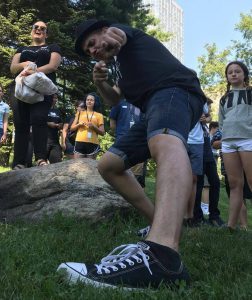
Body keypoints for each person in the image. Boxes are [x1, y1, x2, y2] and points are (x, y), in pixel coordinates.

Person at [57, 19, 205, 289]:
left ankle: (163, 255)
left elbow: (118, 36)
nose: (92, 50)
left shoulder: (125, 35)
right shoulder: (121, 66)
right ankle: (157, 223)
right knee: (109, 165)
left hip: (174, 91)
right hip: (152, 108)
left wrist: (112, 40)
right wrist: (100, 83)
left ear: (103, 31)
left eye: (92, 43)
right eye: (88, 50)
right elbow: (115, 99)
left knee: (166, 142)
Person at [10, 20, 61, 169]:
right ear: (31, 30)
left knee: (39, 119)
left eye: (42, 28)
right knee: (21, 125)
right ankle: (19, 162)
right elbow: (13, 68)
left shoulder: (52, 47)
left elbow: (53, 66)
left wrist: (34, 71)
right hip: (20, 89)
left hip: (42, 88)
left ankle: (40, 158)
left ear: (46, 33)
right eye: (36, 27)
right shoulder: (22, 48)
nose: (39, 29)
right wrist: (24, 65)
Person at [218, 61, 252, 230]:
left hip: (248, 139)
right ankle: (231, 226)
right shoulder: (224, 98)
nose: (233, 74)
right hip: (228, 143)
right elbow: (222, 121)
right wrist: (224, 137)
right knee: (234, 184)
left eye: (237, 71)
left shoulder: (250, 93)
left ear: (244, 74)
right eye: (230, 72)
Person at [110, 99, 147, 188]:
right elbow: (112, 123)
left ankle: (135, 197)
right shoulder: (119, 103)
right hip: (121, 141)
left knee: (137, 174)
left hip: (139, 142)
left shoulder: (143, 104)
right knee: (119, 171)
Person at [70, 92, 105, 159]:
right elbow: (71, 128)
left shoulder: (99, 115)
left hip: (93, 143)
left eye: (91, 100)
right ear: (85, 101)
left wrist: (94, 127)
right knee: (77, 166)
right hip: (79, 142)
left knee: (90, 167)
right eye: (87, 100)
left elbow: (102, 132)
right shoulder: (80, 113)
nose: (89, 101)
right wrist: (79, 124)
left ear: (95, 102)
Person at [46, 94, 63, 164]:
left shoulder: (57, 111)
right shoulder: (43, 109)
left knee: (56, 162)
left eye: (56, 98)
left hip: (55, 141)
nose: (55, 100)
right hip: (44, 140)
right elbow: (38, 121)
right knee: (42, 163)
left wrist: (60, 125)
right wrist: (48, 124)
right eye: (53, 98)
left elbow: (61, 123)